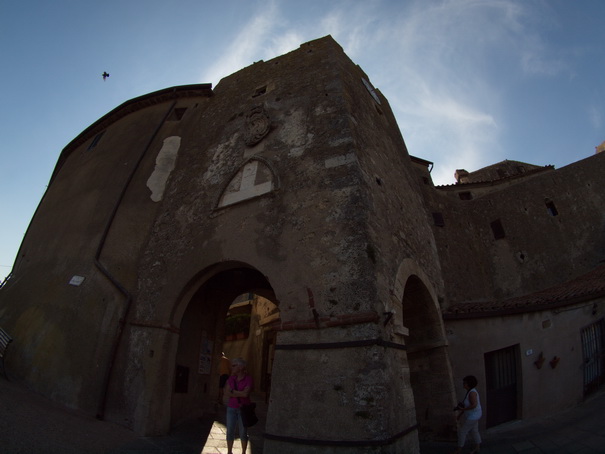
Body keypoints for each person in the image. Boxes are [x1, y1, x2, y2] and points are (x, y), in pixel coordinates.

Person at [225, 357, 253, 454]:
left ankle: (244, 452)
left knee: (243, 432)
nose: (231, 367)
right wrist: (239, 392)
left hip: (243, 408)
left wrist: (233, 391)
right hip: (231, 407)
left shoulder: (248, 378)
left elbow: (246, 394)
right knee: (230, 431)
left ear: (240, 367)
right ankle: (229, 452)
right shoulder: (231, 378)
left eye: (234, 365)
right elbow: (227, 392)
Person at [453, 375, 482, 454]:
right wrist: (461, 413)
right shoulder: (469, 392)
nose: (463, 384)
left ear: (468, 384)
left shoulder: (472, 393)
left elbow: (474, 405)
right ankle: (477, 448)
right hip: (474, 415)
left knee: (462, 432)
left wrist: (463, 410)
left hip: (473, 416)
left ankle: (459, 450)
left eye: (465, 383)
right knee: (474, 431)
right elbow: (466, 405)